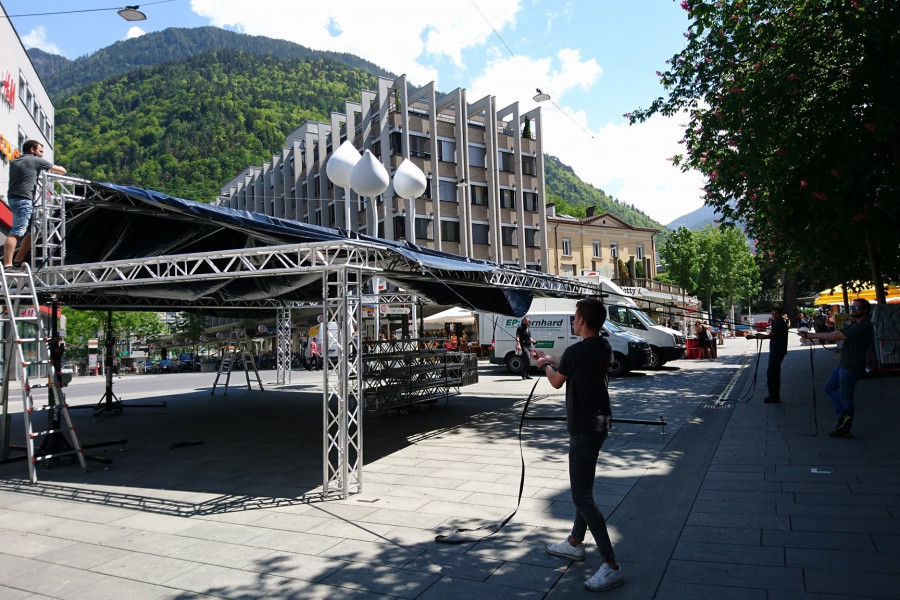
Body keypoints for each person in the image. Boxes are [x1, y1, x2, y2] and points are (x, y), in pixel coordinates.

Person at [531, 298, 624, 592]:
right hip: (599, 425)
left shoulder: (575, 351)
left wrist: (544, 365)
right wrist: (552, 360)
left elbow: (557, 381)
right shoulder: (603, 347)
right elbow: (574, 368)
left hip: (584, 428)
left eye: (574, 316)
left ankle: (610, 564)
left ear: (582, 320)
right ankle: (574, 541)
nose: (573, 320)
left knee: (582, 497)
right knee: (583, 489)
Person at [801, 299, 874, 438]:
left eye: (856, 307)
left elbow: (837, 337)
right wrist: (808, 334)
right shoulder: (855, 324)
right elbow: (835, 333)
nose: (852, 309)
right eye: (852, 307)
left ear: (864, 310)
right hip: (843, 364)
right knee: (829, 387)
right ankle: (843, 415)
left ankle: (845, 427)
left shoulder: (863, 326)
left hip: (852, 366)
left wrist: (811, 335)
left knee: (847, 397)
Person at [4, 140, 67, 270]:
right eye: (40, 151)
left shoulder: (15, 161)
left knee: (34, 230)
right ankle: (8, 264)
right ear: (32, 150)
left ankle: (17, 260)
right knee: (17, 231)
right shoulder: (34, 160)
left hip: (14, 198)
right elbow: (62, 171)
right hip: (24, 200)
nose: (42, 154)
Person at [747, 307, 788, 403]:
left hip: (777, 351)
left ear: (780, 314)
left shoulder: (780, 324)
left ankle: (774, 397)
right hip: (776, 351)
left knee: (772, 374)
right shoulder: (777, 323)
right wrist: (757, 335)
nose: (774, 316)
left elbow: (769, 336)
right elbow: (771, 334)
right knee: (773, 373)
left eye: (776, 314)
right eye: (772, 314)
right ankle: (774, 395)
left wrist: (754, 336)